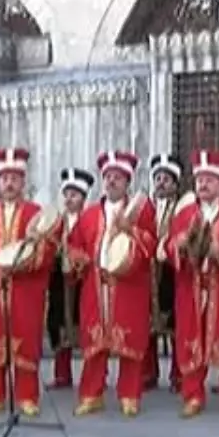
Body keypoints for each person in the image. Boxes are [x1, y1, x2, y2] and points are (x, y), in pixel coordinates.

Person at [165, 149, 219, 418]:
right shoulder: (184, 215)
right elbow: (170, 248)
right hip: (192, 289)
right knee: (191, 339)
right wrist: (178, 246)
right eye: (199, 179)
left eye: (209, 180)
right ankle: (193, 394)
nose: (202, 184)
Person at [0, 148, 56, 417]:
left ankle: (27, 396)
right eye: (4, 178)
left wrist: (28, 260)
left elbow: (48, 246)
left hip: (25, 289)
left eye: (14, 178)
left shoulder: (35, 213)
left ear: (23, 181)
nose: (8, 183)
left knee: (25, 338)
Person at [68, 150, 157, 417]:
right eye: (107, 177)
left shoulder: (140, 209)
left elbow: (151, 243)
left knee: (129, 342)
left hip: (129, 286)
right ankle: (91, 394)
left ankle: (129, 394)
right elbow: (75, 245)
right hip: (96, 288)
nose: (111, 181)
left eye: (117, 177)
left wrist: (130, 230)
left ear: (127, 181)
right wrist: (79, 258)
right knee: (94, 345)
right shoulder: (90, 213)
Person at [144, 153, 188, 393]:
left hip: (172, 272)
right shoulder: (144, 207)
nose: (161, 183)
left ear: (176, 183)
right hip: (148, 272)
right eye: (157, 178)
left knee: (176, 325)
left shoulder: (183, 208)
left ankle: (178, 375)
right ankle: (148, 373)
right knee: (146, 325)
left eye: (166, 179)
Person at [46, 167, 92, 389]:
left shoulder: (90, 219)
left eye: (74, 195)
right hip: (60, 282)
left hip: (82, 281)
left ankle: (89, 377)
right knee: (59, 325)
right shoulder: (56, 221)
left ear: (83, 197)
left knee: (84, 326)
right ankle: (62, 375)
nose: (69, 199)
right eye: (66, 194)